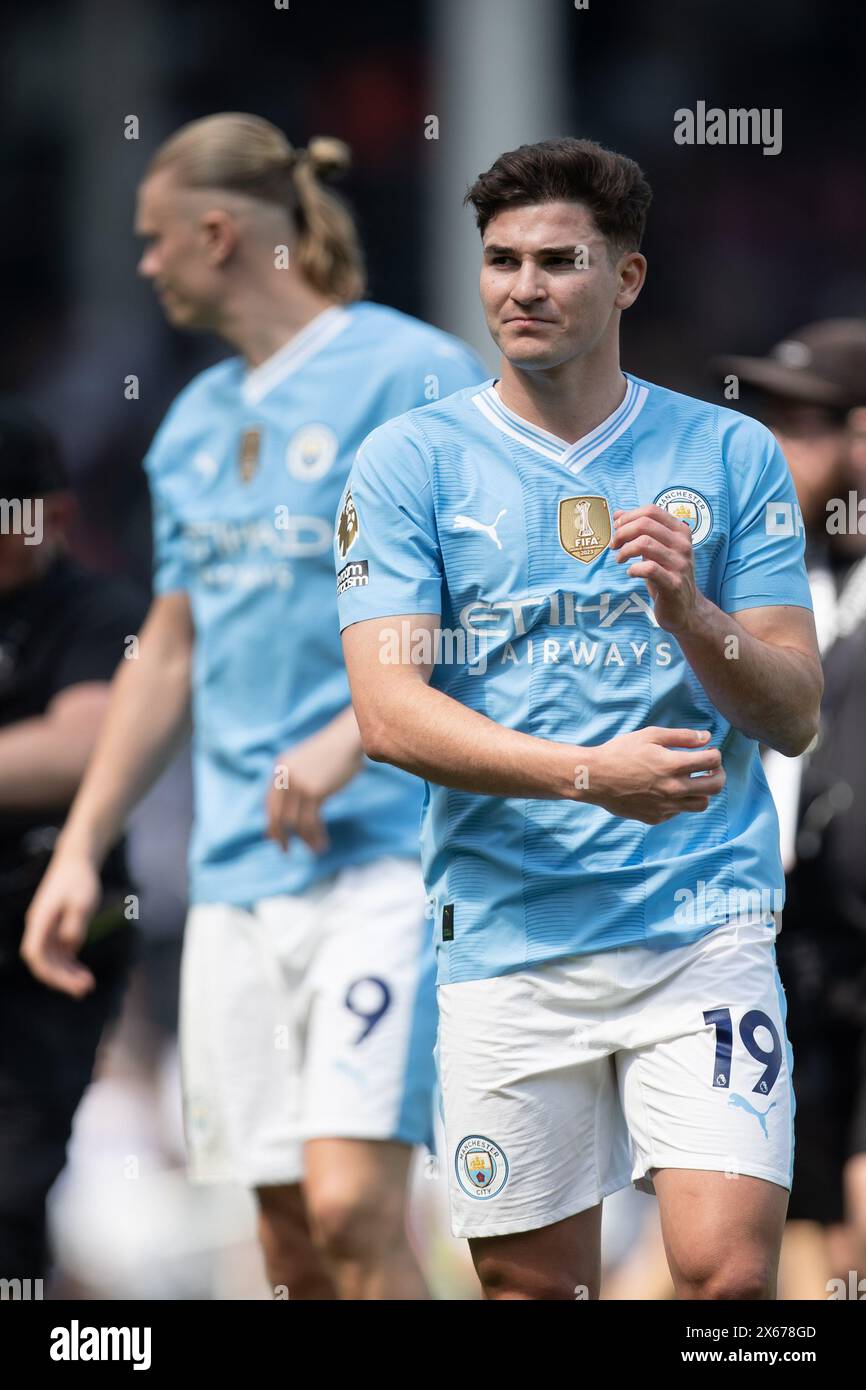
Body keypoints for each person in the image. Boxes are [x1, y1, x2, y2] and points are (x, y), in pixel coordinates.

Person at [335, 137, 823, 1300]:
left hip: (699, 916)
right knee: (530, 1293)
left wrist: (690, 611)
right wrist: (586, 773)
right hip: (507, 931)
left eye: (558, 260)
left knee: (726, 1279)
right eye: (500, 260)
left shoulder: (726, 451)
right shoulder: (412, 461)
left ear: (627, 278)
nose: (522, 287)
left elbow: (794, 710)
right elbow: (388, 714)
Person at [22, 113, 486, 1301]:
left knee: (351, 1203)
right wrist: (79, 849)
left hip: (386, 857)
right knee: (282, 1238)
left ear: (217, 233)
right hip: (235, 879)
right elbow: (166, 653)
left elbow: (493, 594)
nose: (142, 264)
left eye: (152, 238)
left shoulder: (411, 373)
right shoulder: (188, 426)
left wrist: (352, 733)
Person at [714, 321, 866, 1296]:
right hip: (785, 944)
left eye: (803, 422)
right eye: (766, 418)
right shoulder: (766, 580)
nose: (774, 444)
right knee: (782, 1237)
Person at [0, 405, 144, 1283]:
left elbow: (81, 746)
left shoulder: (100, 612)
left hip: (48, 943)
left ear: (51, 517)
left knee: (11, 1187)